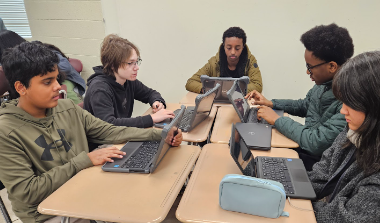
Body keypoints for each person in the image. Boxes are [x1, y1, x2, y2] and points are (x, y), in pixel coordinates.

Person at [0, 42, 183, 223]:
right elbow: (27, 192)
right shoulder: (6, 132)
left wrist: (160, 134)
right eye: (47, 82)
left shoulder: (66, 107)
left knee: (149, 194)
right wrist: (84, 160)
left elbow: (109, 131)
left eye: (57, 79)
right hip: (47, 212)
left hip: (83, 186)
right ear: (20, 88)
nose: (58, 86)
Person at [308, 51, 380, 222]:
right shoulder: (358, 129)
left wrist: (297, 206)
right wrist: (286, 187)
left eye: (350, 103)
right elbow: (322, 173)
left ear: (377, 104)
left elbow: (348, 218)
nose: (343, 111)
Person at [246, 23, 354, 170]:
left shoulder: (349, 100)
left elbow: (316, 142)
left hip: (318, 164)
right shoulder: (323, 85)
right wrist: (271, 103)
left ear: (332, 66)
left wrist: (277, 119)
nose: (308, 72)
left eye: (310, 67)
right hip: (306, 151)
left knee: (260, 164)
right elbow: (304, 105)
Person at [84, 34, 175, 129]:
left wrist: (157, 101)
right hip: (103, 142)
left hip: (121, 136)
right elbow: (109, 125)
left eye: (136, 62)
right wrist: (151, 118)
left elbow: (150, 93)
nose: (137, 67)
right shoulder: (100, 89)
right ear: (112, 65)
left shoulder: (127, 81)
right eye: (130, 63)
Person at [185, 27, 262, 94]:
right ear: (224, 46)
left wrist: (229, 91)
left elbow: (257, 85)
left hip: (240, 102)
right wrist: (208, 89)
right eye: (229, 48)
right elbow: (191, 82)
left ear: (243, 47)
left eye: (237, 48)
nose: (233, 52)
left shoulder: (250, 61)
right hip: (218, 102)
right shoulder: (214, 62)